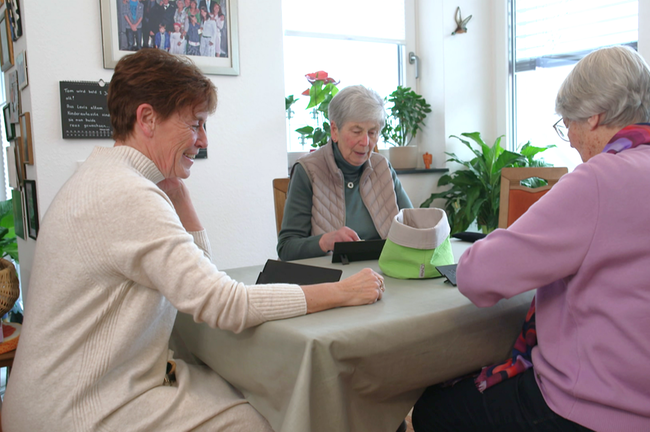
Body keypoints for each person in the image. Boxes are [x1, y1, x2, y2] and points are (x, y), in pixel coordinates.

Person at [1, 49, 385, 432]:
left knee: (252, 395)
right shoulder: (127, 195)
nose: (202, 139)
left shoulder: (108, 177)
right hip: (80, 409)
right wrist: (343, 292)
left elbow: (200, 276)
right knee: (265, 416)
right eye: (195, 124)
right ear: (147, 119)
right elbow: (223, 302)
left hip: (74, 392)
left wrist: (180, 197)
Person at [412, 45, 650, 432]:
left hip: (617, 414)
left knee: (435, 409)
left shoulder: (601, 178)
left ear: (595, 116)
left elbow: (477, 276)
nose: (573, 140)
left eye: (569, 125)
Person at [277, 85, 413, 261]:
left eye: (372, 133)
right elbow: (286, 247)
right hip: (333, 281)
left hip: (385, 273)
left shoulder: (382, 167)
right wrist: (325, 241)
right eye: (356, 132)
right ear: (335, 131)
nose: (365, 142)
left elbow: (412, 227)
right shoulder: (308, 171)